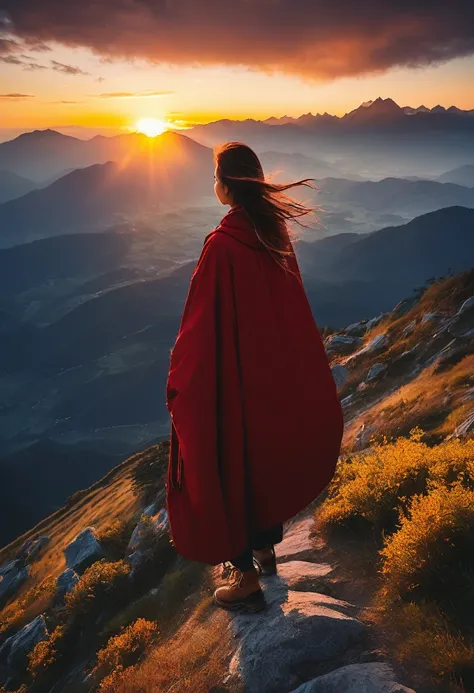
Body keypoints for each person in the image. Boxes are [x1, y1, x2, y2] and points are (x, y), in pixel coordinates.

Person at [165, 142, 344, 613]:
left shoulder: (222, 246)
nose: (214, 185)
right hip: (269, 378)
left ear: (226, 186)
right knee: (261, 462)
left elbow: (200, 328)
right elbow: (288, 309)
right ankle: (265, 552)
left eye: (215, 177)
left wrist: (181, 380)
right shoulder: (273, 232)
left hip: (230, 382)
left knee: (226, 464)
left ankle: (245, 579)